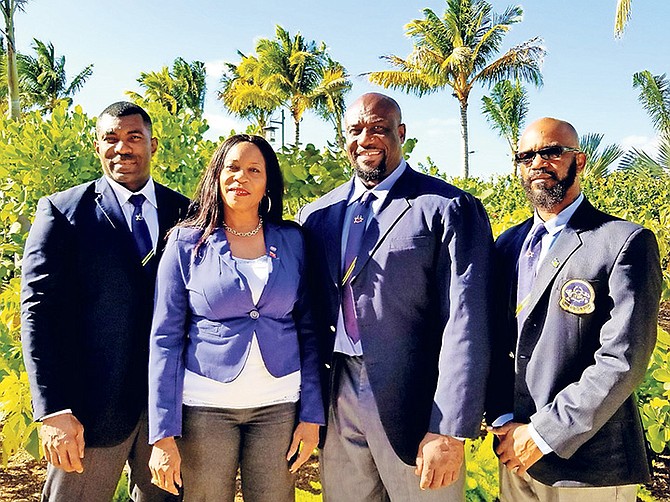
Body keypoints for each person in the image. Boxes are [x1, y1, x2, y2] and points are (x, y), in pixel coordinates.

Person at [297, 93, 493, 501]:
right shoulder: (317, 214)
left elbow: (467, 320)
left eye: (379, 129)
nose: (366, 138)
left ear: (400, 133)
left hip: (418, 403)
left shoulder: (447, 207)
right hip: (338, 394)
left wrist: (449, 428)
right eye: (355, 130)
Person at [20, 101, 190, 501]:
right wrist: (53, 409)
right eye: (110, 139)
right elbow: (37, 314)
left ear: (153, 144)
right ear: (97, 146)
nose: (122, 148)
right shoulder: (62, 212)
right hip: (86, 414)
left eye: (134, 137)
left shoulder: (186, 212)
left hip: (167, 413)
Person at [488, 117, 662, 502]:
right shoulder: (507, 246)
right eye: (526, 156)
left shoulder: (622, 242)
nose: (538, 163)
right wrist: (502, 420)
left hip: (590, 467)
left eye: (551, 152)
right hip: (515, 454)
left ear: (579, 162)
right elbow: (496, 340)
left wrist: (544, 434)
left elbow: (622, 360)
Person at [147, 134, 324, 501]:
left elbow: (310, 331)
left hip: (279, 407)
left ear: (267, 184)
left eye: (253, 170)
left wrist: (311, 416)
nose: (240, 177)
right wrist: (162, 433)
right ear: (216, 176)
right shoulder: (184, 243)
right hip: (205, 408)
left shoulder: (292, 240)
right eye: (232, 168)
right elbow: (164, 339)